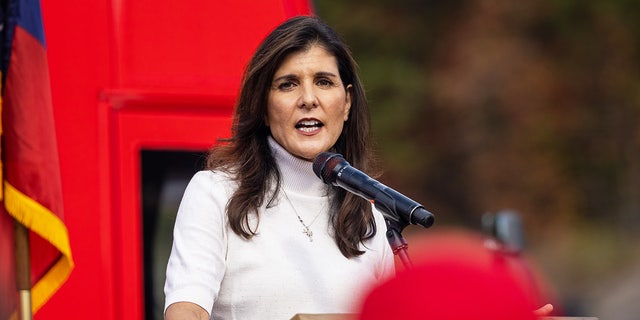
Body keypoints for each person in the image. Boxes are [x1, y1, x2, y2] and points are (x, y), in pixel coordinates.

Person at [163, 15, 395, 320]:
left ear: (347, 102)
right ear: (263, 106)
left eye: (324, 82)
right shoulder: (215, 193)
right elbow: (186, 311)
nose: (309, 99)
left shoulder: (370, 220)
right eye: (288, 85)